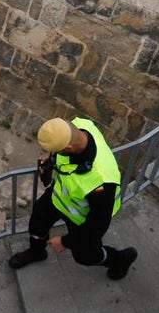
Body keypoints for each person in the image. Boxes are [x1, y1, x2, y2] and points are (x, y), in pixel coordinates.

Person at [8, 117, 138, 280]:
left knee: (85, 255)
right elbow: (64, 152)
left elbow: (97, 224)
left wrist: (65, 241)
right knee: (37, 221)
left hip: (82, 217)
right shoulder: (79, 125)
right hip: (60, 198)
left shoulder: (101, 181)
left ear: (68, 147)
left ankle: (119, 259)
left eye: (58, 151)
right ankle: (37, 251)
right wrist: (51, 159)